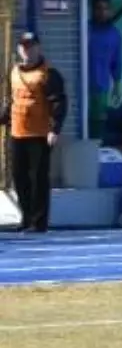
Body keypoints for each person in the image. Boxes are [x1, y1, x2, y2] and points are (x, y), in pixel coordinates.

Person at [1, 32, 68, 234]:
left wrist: (55, 129)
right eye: (23, 46)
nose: (26, 50)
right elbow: (11, 102)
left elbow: (59, 103)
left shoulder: (49, 73)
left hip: (39, 134)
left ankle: (39, 222)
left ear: (38, 48)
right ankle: (26, 218)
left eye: (30, 46)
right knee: (19, 177)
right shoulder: (14, 72)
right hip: (18, 132)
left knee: (38, 178)